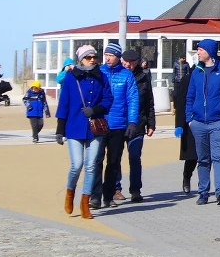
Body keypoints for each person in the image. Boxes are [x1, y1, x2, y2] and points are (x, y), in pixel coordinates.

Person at [54, 46, 111, 220]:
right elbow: (64, 102)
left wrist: (95, 109)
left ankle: (85, 203)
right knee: (77, 164)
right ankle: (70, 192)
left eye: (94, 57)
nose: (92, 59)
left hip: (95, 126)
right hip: (74, 126)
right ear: (81, 59)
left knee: (91, 165)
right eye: (88, 57)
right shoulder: (71, 78)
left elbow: (108, 98)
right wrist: (59, 129)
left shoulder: (102, 77)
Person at [185, 38, 220, 206]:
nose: (198, 52)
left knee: (218, 158)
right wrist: (189, 119)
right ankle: (203, 193)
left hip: (218, 123)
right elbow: (190, 97)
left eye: (200, 49)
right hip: (198, 123)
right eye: (197, 50)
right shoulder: (197, 72)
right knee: (203, 160)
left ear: (209, 51)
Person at [90, 42, 140, 210]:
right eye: (106, 55)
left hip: (118, 124)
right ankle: (95, 196)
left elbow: (133, 99)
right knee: (97, 160)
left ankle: (109, 195)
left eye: (111, 55)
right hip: (99, 123)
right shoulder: (98, 72)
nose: (107, 58)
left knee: (113, 162)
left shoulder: (127, 75)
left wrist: (132, 121)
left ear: (118, 57)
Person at [121, 48, 156, 203]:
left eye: (131, 62)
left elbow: (149, 102)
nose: (128, 65)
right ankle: (115, 189)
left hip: (138, 123)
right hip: (118, 123)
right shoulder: (117, 75)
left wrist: (151, 123)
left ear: (137, 62)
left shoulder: (143, 77)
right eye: (126, 62)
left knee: (135, 157)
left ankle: (135, 190)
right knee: (114, 158)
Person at [172, 62, 197, 195]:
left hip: (207, 121)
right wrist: (179, 125)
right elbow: (180, 102)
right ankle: (186, 177)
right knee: (192, 156)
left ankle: (204, 185)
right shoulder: (187, 79)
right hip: (190, 122)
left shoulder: (211, 76)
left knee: (208, 156)